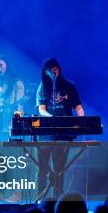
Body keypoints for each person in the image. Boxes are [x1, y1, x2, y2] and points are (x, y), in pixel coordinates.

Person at [36, 58, 85, 198]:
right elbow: (41, 109)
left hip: (64, 132)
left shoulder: (69, 86)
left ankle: (57, 201)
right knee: (43, 169)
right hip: (45, 133)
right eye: (50, 69)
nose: (54, 71)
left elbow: (78, 107)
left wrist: (82, 120)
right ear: (45, 72)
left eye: (55, 68)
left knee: (59, 169)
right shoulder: (42, 87)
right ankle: (41, 200)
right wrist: (52, 118)